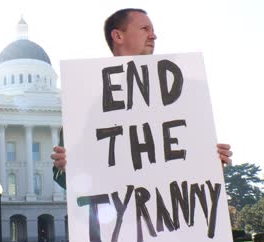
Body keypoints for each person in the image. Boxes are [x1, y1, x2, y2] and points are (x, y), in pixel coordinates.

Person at [51, 8, 233, 189]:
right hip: (119, 214)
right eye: (145, 29)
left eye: (152, 30)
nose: (153, 36)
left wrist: (210, 162)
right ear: (118, 36)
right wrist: (66, 168)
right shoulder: (85, 99)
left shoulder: (179, 92)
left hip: (168, 212)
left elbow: (188, 165)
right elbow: (66, 181)